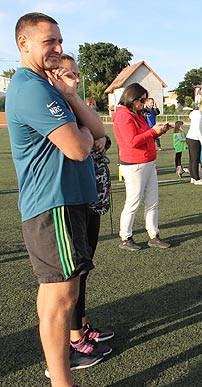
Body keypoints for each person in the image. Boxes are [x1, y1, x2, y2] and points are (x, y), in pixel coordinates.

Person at [7, 12, 106, 387]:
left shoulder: (49, 88)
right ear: (25, 43)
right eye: (50, 41)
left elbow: (97, 131)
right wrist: (83, 134)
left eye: (60, 41)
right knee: (61, 296)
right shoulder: (30, 87)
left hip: (65, 202)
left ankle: (61, 380)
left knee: (63, 292)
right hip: (54, 204)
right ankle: (62, 383)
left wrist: (69, 96)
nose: (59, 48)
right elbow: (80, 147)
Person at [60, 53, 114, 365]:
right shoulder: (57, 107)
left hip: (91, 198)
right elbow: (81, 142)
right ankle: (73, 337)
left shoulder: (76, 105)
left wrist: (98, 138)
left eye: (78, 75)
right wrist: (91, 137)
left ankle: (79, 326)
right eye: (70, 75)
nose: (76, 80)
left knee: (84, 269)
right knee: (72, 275)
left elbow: (100, 137)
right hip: (71, 200)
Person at [112, 83, 171, 251]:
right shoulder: (124, 116)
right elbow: (132, 141)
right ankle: (125, 237)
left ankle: (153, 235)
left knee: (153, 201)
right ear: (132, 99)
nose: (144, 103)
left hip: (147, 162)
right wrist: (153, 132)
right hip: (134, 165)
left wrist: (160, 131)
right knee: (133, 201)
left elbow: (144, 136)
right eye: (142, 100)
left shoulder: (135, 114)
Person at [186, 98, 202, 185]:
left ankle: (193, 177)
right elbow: (197, 130)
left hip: (191, 138)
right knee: (195, 159)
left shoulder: (199, 114)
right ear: (200, 106)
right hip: (194, 138)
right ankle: (196, 178)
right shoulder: (198, 115)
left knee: (192, 159)